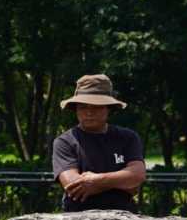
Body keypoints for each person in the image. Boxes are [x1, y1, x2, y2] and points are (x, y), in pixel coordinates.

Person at [52, 74, 146, 212]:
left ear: (108, 108)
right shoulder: (64, 141)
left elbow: (137, 176)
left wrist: (96, 180)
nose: (89, 112)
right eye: (83, 107)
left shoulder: (128, 137)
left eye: (96, 107)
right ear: (75, 109)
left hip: (124, 218)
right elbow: (73, 185)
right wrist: (121, 180)